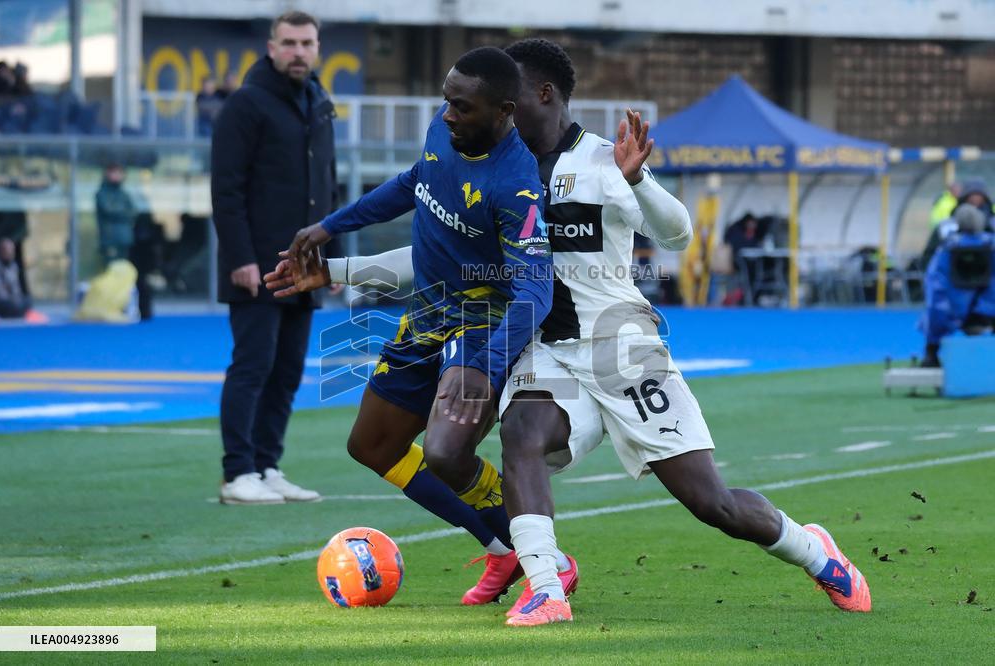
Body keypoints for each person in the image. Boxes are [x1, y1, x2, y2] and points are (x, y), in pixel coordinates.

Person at [282, 39, 873, 626]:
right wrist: (338, 269)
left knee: (710, 502)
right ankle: (546, 586)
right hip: (548, 347)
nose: (495, 110)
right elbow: (436, 254)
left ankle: (815, 552)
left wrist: (638, 181)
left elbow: (678, 235)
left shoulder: (600, 160)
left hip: (621, 346)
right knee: (522, 435)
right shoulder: (493, 164)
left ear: (541, 95)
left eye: (510, 95)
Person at [266, 46, 554, 603]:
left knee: (444, 452)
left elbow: (535, 291)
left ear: (505, 111)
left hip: (480, 323)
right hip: (427, 314)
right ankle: (503, 548)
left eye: (462, 107)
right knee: (372, 444)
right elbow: (413, 182)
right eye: (446, 101)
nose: (448, 114)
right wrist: (330, 227)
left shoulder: (517, 187)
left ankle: (548, 561)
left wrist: (486, 365)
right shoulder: (446, 130)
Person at [211, 10, 342, 505]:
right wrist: (239, 258)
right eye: (289, 43)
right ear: (271, 48)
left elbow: (327, 187)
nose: (298, 52)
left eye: (307, 43)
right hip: (258, 265)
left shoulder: (319, 103)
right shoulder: (245, 104)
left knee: (287, 371)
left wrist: (334, 257)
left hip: (305, 267)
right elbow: (226, 190)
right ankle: (237, 472)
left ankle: (267, 466)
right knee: (253, 365)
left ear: (317, 48)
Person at [920, 204, 995, 367]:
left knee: (935, 313)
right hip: (984, 309)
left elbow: (935, 281)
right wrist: (983, 309)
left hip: (952, 306)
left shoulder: (947, 247)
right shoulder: (990, 244)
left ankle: (931, 353)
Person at [922, 180, 994, 270]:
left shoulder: (992, 225)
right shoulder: (946, 227)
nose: (975, 201)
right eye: (971, 199)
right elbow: (929, 257)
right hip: (952, 274)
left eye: (978, 197)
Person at [95, 164, 137, 267]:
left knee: (123, 269)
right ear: (107, 173)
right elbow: (110, 210)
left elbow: (133, 212)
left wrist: (122, 211)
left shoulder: (124, 194)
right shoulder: (102, 193)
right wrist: (124, 212)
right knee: (112, 269)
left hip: (124, 240)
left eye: (120, 172)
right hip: (110, 241)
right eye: (114, 172)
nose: (117, 175)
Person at [0, 237, 31, 319]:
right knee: (7, 305)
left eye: (11, 250)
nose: (10, 253)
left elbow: (16, 288)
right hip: (1, 303)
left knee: (27, 301)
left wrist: (18, 300)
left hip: (13, 301)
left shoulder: (14, 266)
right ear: (0, 251)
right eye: (6, 250)